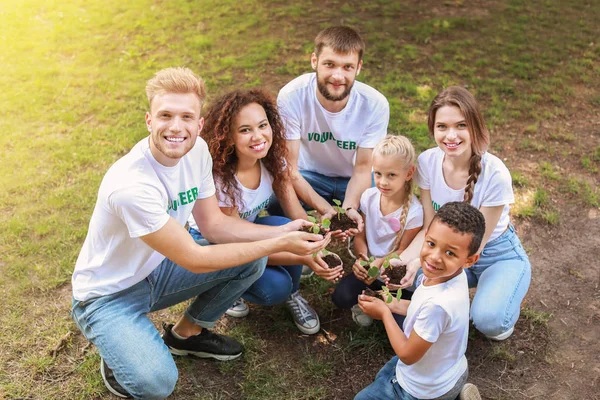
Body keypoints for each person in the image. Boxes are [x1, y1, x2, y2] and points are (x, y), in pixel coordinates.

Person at [70, 67, 329, 400]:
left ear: (199, 124)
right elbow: (194, 258)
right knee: (156, 384)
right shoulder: (131, 185)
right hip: (107, 295)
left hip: (157, 269)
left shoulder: (198, 152)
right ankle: (119, 349)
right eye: (166, 115)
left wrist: (287, 232)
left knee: (251, 262)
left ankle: (187, 335)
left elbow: (215, 226)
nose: (176, 127)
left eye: (186, 117)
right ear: (149, 120)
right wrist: (278, 242)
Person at [187, 89, 344, 334]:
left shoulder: (270, 159)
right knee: (275, 288)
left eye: (262, 125)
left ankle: (293, 294)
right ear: (228, 137)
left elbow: (296, 215)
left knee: (290, 227)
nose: (258, 136)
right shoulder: (221, 178)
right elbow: (240, 247)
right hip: (215, 245)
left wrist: (318, 237)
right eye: (245, 130)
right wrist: (304, 257)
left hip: (247, 231)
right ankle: (226, 286)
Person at [399, 86, 532, 341]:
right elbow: (430, 229)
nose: (451, 135)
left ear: (474, 126)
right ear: (433, 129)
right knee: (412, 278)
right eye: (442, 127)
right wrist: (404, 261)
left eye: (461, 125)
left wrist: (421, 263)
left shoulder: (495, 174)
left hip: (494, 253)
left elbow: (474, 246)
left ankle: (497, 293)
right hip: (448, 251)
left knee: (490, 322)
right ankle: (466, 298)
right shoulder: (427, 163)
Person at [354, 202, 485, 400]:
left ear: (469, 260)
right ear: (426, 237)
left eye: (450, 253)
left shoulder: (438, 305)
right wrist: (391, 302)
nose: (434, 258)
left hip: (422, 391)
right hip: (448, 371)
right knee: (384, 375)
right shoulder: (451, 275)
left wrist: (384, 314)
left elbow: (407, 355)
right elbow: (419, 307)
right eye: (432, 244)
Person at [271, 26, 390, 238]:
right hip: (309, 175)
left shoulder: (375, 104)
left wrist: (349, 210)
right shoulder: (292, 95)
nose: (338, 76)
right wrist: (326, 210)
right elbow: (289, 168)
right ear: (314, 61)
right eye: (329, 64)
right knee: (275, 195)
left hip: (352, 177)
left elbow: (363, 168)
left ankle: (364, 245)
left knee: (386, 199)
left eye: (347, 67)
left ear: (359, 68)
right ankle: (305, 239)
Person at [331, 135, 423, 327]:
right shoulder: (368, 197)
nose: (382, 182)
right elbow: (360, 236)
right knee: (341, 297)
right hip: (370, 271)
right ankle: (371, 299)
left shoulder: (415, 212)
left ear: (408, 173)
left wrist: (380, 263)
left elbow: (404, 250)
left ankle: (383, 304)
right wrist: (362, 258)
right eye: (378, 173)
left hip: (393, 274)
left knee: (403, 324)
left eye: (391, 175)